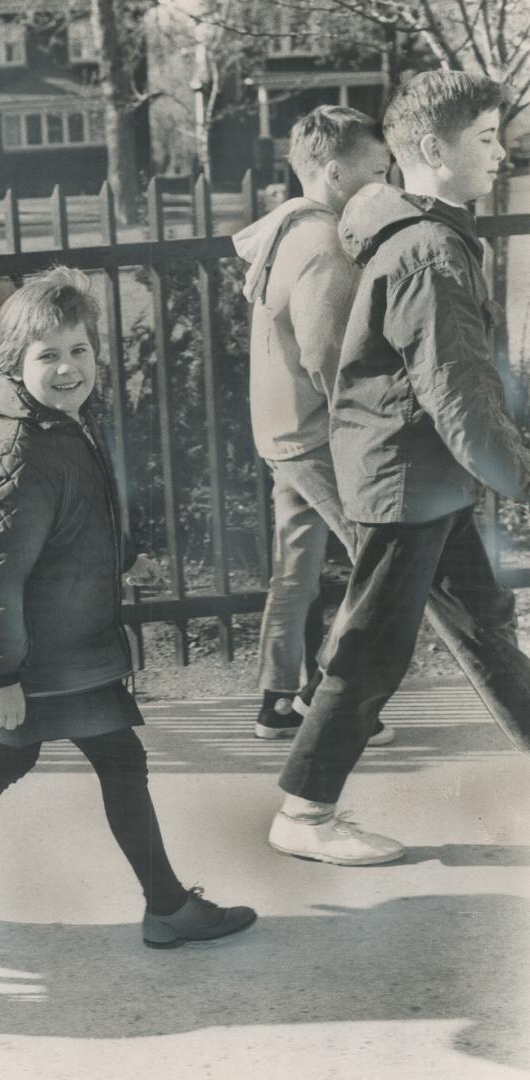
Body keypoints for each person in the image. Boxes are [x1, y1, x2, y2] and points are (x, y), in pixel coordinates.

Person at [0, 268, 256, 948]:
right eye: (47, 355)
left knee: (21, 759)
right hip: (47, 654)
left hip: (65, 647)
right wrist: (2, 676)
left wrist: (121, 554)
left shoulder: (59, 428)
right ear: (12, 366)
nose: (67, 367)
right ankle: (165, 907)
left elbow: (73, 523)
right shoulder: (26, 451)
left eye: (78, 351)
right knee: (110, 759)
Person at [267, 70, 530, 866]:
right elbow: (457, 398)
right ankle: (303, 811)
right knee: (372, 646)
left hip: (426, 477)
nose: (499, 153)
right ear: (430, 149)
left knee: (484, 627)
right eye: (483, 140)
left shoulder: (432, 234)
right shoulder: (426, 251)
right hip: (406, 481)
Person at [233, 106, 395, 745]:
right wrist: (369, 430)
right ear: (334, 171)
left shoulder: (283, 229)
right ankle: (326, 693)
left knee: (296, 565)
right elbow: (329, 356)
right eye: (376, 172)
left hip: (279, 430)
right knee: (381, 562)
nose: (384, 184)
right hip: (316, 431)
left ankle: (276, 700)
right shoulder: (325, 243)